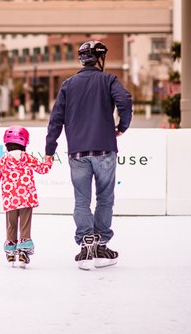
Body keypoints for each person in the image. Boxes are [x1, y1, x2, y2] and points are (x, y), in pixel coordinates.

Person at [45, 40, 132, 271]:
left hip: (77, 152)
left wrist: (49, 150)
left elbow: (56, 119)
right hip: (104, 148)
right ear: (99, 59)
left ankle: (86, 246)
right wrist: (122, 126)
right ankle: (102, 245)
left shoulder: (68, 84)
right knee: (105, 198)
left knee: (81, 200)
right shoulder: (109, 80)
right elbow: (125, 100)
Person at [0, 126, 52, 266]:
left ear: (6, 143)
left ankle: (11, 253)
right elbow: (43, 169)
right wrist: (49, 159)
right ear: (24, 143)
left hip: (10, 199)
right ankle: (23, 252)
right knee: (25, 225)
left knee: (11, 225)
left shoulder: (4, 160)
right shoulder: (27, 157)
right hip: (27, 198)